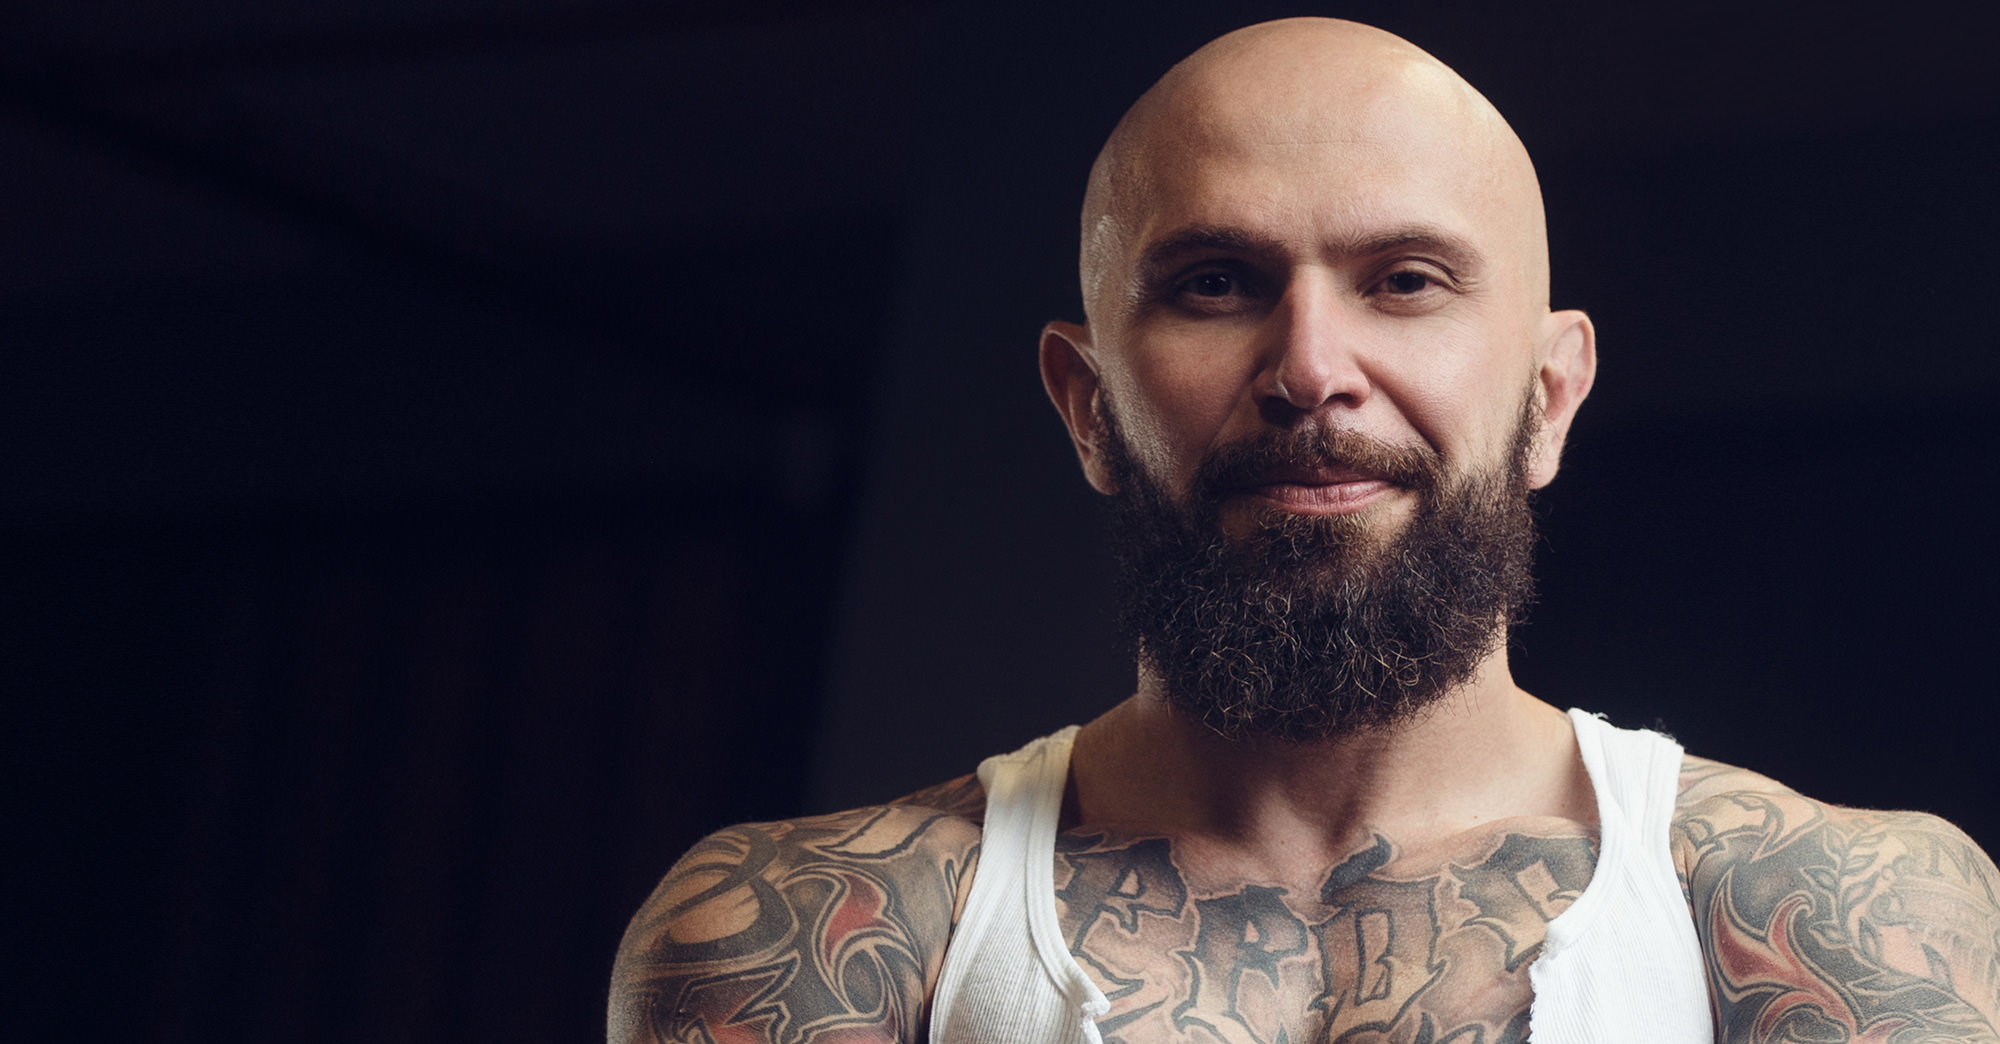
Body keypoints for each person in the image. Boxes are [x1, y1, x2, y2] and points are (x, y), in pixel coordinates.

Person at [609, 18, 2000, 1044]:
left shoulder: (1834, 916)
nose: (1311, 368)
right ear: (1089, 407)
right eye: (1216, 283)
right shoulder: (810, 936)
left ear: (1549, 399)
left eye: (1406, 280)